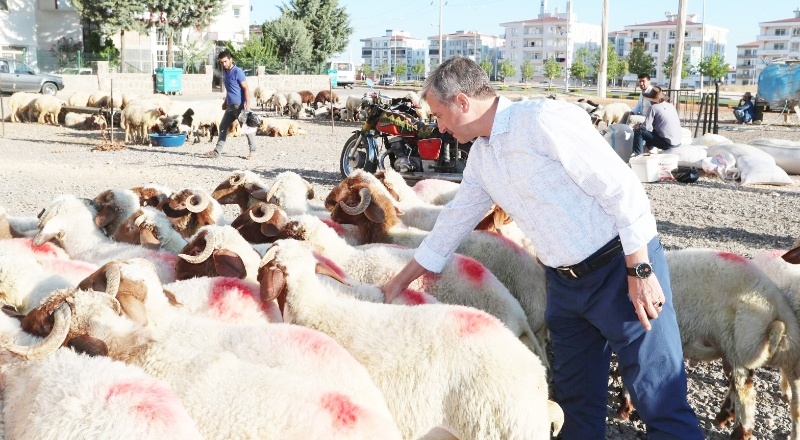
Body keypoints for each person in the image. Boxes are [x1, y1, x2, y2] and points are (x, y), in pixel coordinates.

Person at [380, 56, 703, 440]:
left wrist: (640, 270)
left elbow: (622, 188)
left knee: (657, 393)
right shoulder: (483, 157)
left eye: (439, 114)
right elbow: (451, 224)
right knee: (573, 404)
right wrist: (396, 283)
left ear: (462, 102)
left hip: (620, 268)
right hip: (564, 286)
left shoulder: (542, 121)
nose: (439, 126)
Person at [203, 49, 257, 160]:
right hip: (230, 106)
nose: (223, 64)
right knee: (222, 127)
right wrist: (225, 102)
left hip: (239, 106)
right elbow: (230, 89)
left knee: (246, 128)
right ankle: (217, 152)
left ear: (230, 60)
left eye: (225, 61)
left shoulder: (238, 72)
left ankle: (253, 151)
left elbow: (246, 88)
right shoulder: (225, 72)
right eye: (221, 62)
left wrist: (248, 104)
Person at [631, 86, 683, 156]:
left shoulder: (653, 108)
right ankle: (647, 151)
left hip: (668, 144)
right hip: (677, 142)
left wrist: (638, 126)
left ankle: (637, 156)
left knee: (639, 131)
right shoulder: (671, 106)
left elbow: (646, 127)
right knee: (652, 131)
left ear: (652, 100)